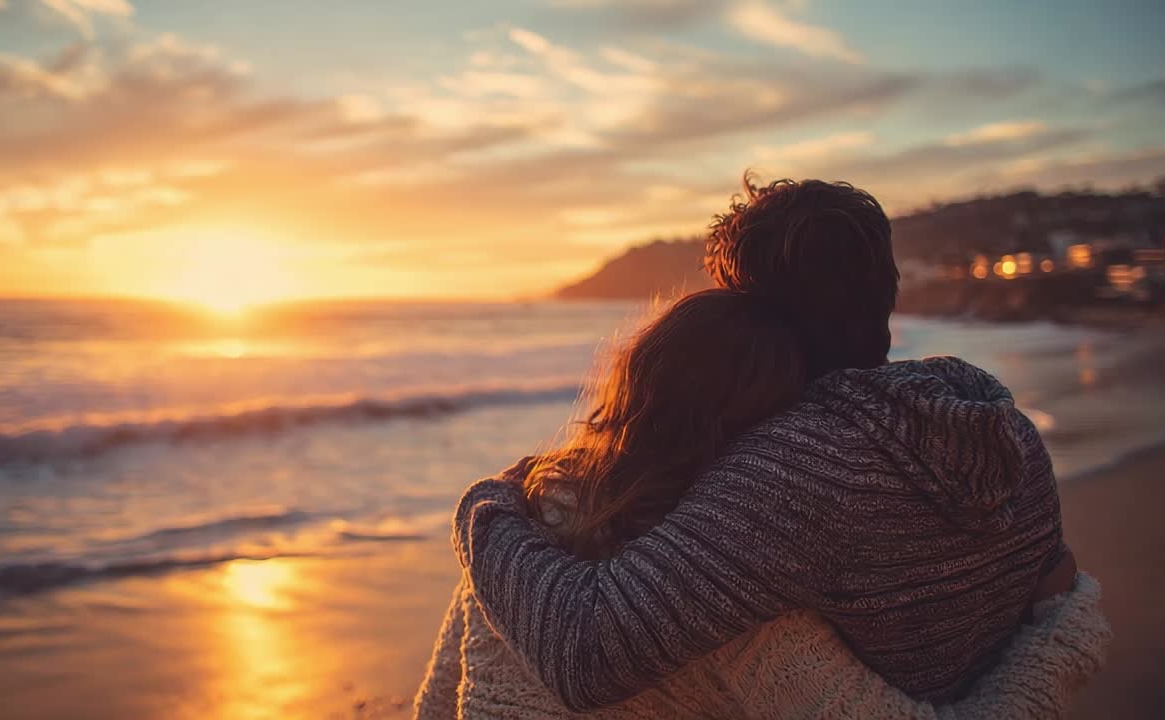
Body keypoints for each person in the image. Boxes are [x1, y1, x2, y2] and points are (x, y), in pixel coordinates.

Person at [451, 177, 1078, 711]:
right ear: (887, 287)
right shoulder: (1000, 423)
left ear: (752, 314)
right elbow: (1053, 587)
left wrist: (487, 504)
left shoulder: (797, 470)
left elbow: (585, 652)